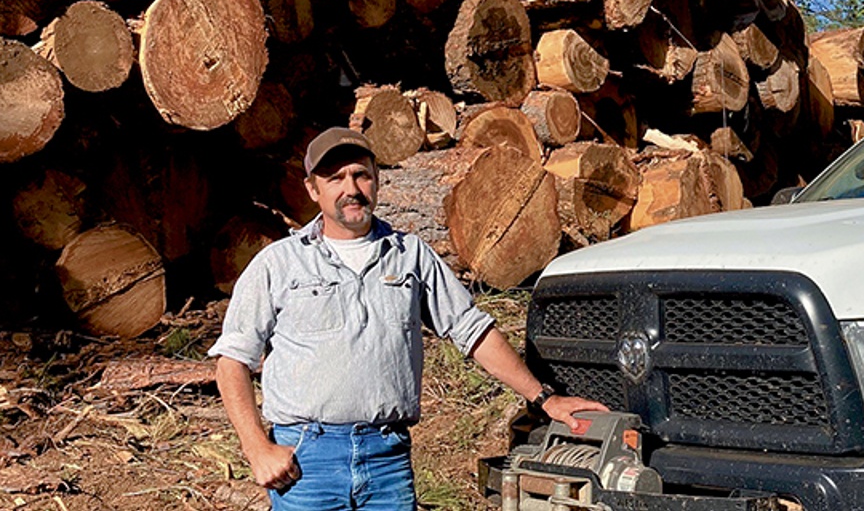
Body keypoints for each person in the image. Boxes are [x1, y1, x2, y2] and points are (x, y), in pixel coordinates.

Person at [209, 127, 607, 510]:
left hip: (386, 459)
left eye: (361, 175)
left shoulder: (410, 255)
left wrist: (544, 398)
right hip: (305, 461)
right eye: (335, 178)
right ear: (313, 189)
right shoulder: (279, 263)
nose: (351, 189)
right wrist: (256, 447)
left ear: (377, 181)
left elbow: (470, 330)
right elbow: (232, 360)